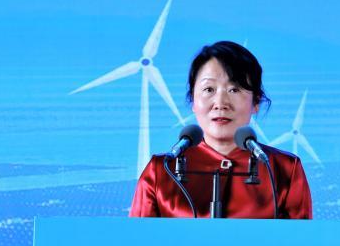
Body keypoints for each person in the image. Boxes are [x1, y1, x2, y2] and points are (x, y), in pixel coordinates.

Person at [129, 41, 312, 219]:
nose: (220, 103)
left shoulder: (285, 169)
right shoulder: (162, 170)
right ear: (193, 100)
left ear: (256, 101)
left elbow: (301, 238)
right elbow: (137, 238)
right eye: (209, 89)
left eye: (234, 89)